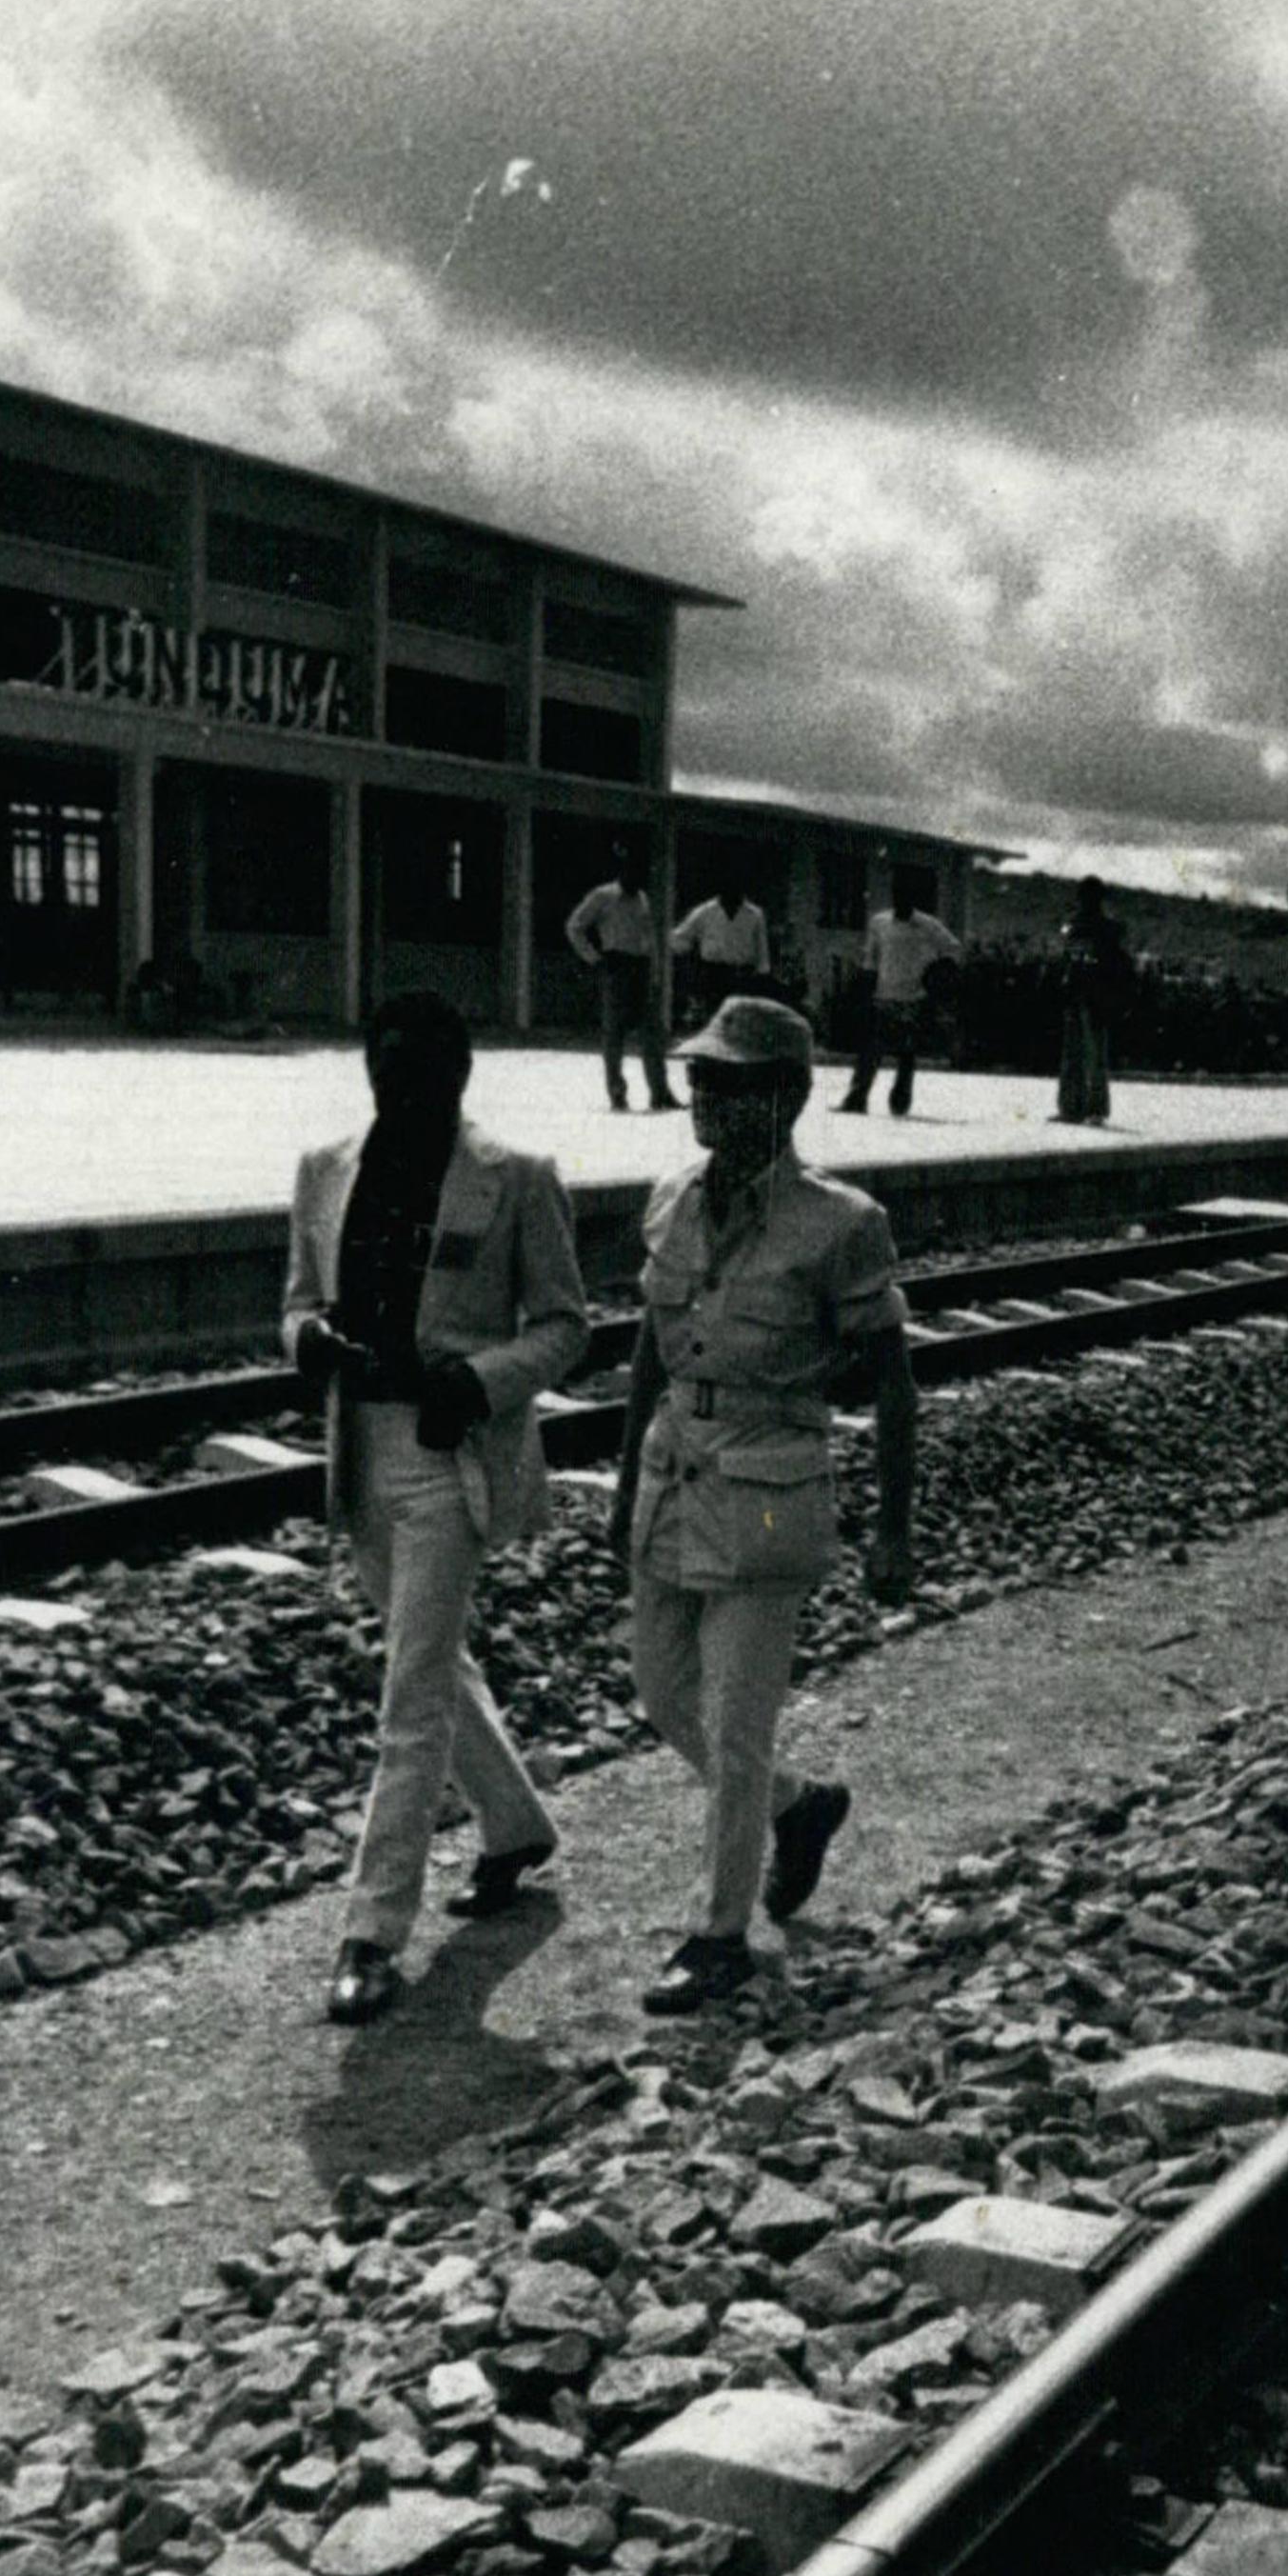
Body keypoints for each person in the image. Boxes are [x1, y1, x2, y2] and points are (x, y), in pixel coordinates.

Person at [281, 988, 593, 2025]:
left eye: (423, 1072)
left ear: (460, 1076)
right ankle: (513, 1825)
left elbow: (563, 1325)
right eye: (385, 1069)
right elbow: (294, 1299)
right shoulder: (326, 1169)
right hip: (357, 1457)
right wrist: (306, 1341)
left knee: (408, 1693)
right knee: (432, 1663)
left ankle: (371, 1933)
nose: (400, 1090)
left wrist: (482, 1380)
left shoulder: (516, 1179)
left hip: (445, 1461)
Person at [614, 994, 919, 2015]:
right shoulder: (667, 1199)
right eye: (700, 1077)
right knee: (663, 1697)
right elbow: (649, 1354)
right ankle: (802, 1808)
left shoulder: (839, 1224)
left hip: (776, 1484)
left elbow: (889, 1380)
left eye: (733, 1082)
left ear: (788, 1096)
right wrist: (622, 1492)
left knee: (736, 1719)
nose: (707, 1097)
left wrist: (891, 1525)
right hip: (675, 1473)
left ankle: (717, 1934)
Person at [843, 880, 962, 1117]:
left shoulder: (927, 925)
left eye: (906, 898)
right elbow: (871, 957)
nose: (901, 902)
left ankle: (900, 1101)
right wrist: (867, 983)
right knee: (871, 1049)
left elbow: (953, 948)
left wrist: (936, 974)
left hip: (913, 998)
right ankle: (857, 1098)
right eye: (898, 897)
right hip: (884, 994)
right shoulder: (879, 923)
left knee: (906, 1054)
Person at [563, 846, 664, 1111]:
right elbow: (575, 926)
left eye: (641, 873)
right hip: (616, 967)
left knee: (652, 1033)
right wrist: (594, 958)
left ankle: (660, 1092)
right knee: (614, 1035)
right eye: (632, 871)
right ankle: (617, 1093)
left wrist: (654, 976)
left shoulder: (643, 899)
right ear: (622, 871)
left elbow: (650, 940)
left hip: (640, 968)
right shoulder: (603, 896)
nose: (637, 877)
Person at [1058, 876, 1131, 1126]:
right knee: (1076, 1052)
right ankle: (1073, 1107)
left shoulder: (1105, 929)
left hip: (1095, 995)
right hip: (1078, 993)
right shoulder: (1079, 926)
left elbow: (1114, 964)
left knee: (1092, 1053)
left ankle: (1091, 1108)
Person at [667, 875, 773, 1023]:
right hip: (714, 975)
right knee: (715, 1021)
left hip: (742, 976)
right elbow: (681, 938)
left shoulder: (755, 914)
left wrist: (762, 976)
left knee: (740, 1022)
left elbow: (762, 950)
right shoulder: (705, 912)